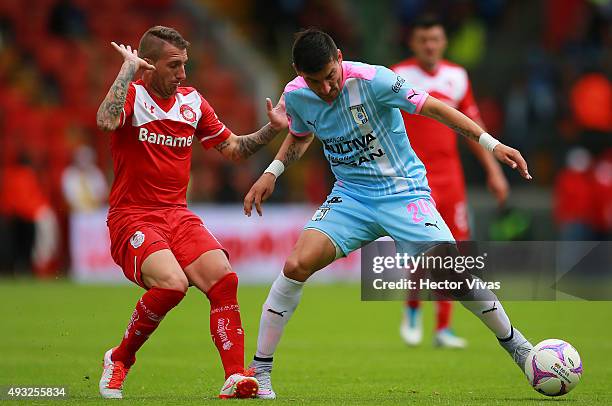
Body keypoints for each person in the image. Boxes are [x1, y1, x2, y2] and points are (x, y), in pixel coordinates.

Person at [242, 29, 533, 399]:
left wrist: (491, 144)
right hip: (351, 197)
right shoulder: (296, 95)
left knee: (453, 276)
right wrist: (272, 173)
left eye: (331, 76)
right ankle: (261, 372)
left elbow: (436, 108)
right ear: (299, 74)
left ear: (340, 57)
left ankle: (519, 348)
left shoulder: (374, 79)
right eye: (315, 82)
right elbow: (301, 135)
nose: (327, 89)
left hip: (403, 194)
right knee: (297, 264)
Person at [95, 26, 287, 399]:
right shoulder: (132, 96)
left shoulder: (193, 102)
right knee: (172, 284)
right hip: (132, 215)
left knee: (223, 278)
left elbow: (233, 148)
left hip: (177, 215)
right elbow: (105, 121)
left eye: (185, 65)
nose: (183, 73)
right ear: (149, 65)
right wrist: (126, 71)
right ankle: (119, 359)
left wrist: (271, 130)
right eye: (174, 65)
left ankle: (235, 377)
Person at [390, 15, 509, 348]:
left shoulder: (457, 77)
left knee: (455, 253)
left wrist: (494, 171)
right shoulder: (398, 76)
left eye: (435, 39)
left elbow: (473, 126)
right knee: (422, 249)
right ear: (413, 43)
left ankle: (443, 328)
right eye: (423, 40)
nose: (430, 45)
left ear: (443, 42)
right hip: (413, 179)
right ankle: (412, 306)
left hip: (451, 178)